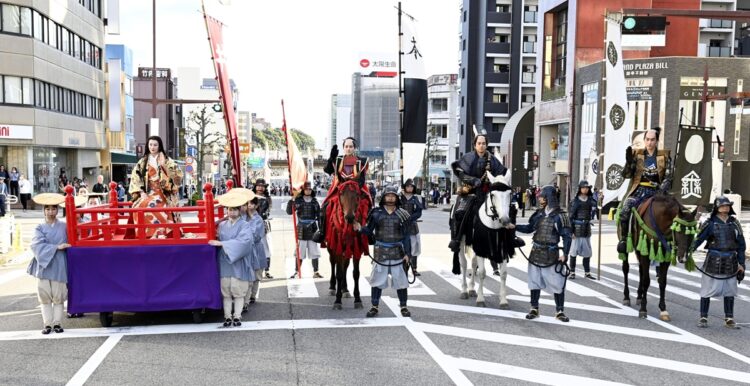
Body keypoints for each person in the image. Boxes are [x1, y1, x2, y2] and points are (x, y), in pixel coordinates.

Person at [514, 185, 573, 322]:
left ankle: (559, 311)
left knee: (558, 283)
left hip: (551, 254)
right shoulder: (539, 214)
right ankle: (534, 308)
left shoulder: (561, 216)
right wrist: (514, 226)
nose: (540, 199)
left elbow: (567, 236)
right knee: (534, 282)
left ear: (549, 198)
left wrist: (565, 253)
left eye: (542, 197)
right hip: (535, 252)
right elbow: (529, 228)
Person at [353, 186, 412, 318]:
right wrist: (360, 228)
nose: (390, 198)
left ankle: (403, 306)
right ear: (384, 197)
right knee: (377, 281)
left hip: (398, 252)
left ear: (396, 198)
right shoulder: (376, 213)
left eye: (393, 196)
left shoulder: (403, 214)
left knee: (401, 281)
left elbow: (407, 236)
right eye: (388, 195)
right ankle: (374, 306)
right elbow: (369, 230)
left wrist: (408, 254)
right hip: (381, 252)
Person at [692, 196, 746, 329]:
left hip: (731, 260)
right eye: (722, 205)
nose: (725, 207)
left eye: (727, 205)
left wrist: (741, 263)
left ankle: (729, 318)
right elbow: (699, 240)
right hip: (713, 259)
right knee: (707, 289)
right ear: (716, 207)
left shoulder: (734, 223)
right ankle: (703, 317)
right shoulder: (709, 223)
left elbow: (741, 244)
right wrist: (687, 252)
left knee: (730, 290)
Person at [449, 133, 508, 253]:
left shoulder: (493, 160)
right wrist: (472, 180)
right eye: (479, 143)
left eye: (484, 144)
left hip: (488, 193)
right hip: (470, 192)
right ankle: (456, 239)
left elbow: (502, 173)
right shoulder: (468, 157)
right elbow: (458, 171)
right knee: (459, 213)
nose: (481, 146)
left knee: (506, 210)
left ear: (487, 145)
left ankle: (509, 240)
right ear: (475, 145)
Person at [617, 127, 673, 254]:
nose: (650, 143)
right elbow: (626, 175)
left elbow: (669, 177)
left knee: (674, 210)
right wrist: (629, 162)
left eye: (652, 140)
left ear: (657, 141)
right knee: (625, 210)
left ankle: (673, 240)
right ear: (644, 140)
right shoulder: (637, 155)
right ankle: (624, 239)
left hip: (657, 191)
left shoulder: (664, 157)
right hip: (639, 190)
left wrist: (661, 189)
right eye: (647, 139)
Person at [27, 193, 71, 334]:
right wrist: (56, 247)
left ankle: (57, 323)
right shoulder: (39, 227)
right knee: (44, 295)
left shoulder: (64, 226)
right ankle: (47, 324)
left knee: (59, 295)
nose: (51, 212)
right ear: (44, 210)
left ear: (58, 210)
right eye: (48, 209)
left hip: (59, 263)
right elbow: (36, 245)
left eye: (53, 209)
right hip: (44, 264)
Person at [209, 192, 255, 327]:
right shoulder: (222, 225)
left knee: (238, 290)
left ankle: (238, 316)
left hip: (238, 260)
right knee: (226, 290)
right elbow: (216, 236)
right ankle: (227, 317)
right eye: (229, 209)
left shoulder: (245, 225)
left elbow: (245, 242)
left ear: (239, 210)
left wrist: (223, 244)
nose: (232, 212)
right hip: (224, 260)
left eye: (234, 209)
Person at [313, 137, 370, 244]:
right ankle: (321, 231)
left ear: (354, 148)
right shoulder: (338, 159)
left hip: (356, 190)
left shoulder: (362, 161)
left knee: (368, 204)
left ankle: (369, 232)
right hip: (339, 190)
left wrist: (355, 187)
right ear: (343, 148)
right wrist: (331, 158)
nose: (348, 149)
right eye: (346, 146)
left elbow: (362, 179)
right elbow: (328, 170)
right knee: (325, 206)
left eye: (351, 146)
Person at [128, 136, 184, 238]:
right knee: (139, 206)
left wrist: (164, 166)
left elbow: (177, 177)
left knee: (154, 205)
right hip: (149, 192)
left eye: (155, 145)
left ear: (159, 146)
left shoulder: (167, 160)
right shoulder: (143, 162)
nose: (152, 147)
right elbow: (135, 178)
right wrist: (141, 192)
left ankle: (161, 233)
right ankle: (144, 234)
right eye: (150, 145)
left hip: (164, 192)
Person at [286, 182, 323, 279]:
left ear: (312, 190)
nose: (308, 191)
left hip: (312, 228)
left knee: (314, 251)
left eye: (309, 189)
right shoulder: (298, 200)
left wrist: (321, 229)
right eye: (306, 189)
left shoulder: (315, 202)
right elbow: (289, 212)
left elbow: (319, 216)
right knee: (300, 252)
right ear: (303, 190)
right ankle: (297, 271)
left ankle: (316, 271)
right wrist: (291, 201)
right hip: (301, 228)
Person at [568, 180, 596, 279]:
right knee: (573, 251)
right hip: (577, 228)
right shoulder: (575, 201)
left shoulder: (590, 200)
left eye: (587, 188)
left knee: (587, 252)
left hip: (586, 229)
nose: (585, 189)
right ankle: (572, 272)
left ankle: (587, 272)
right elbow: (570, 217)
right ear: (580, 188)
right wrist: (571, 231)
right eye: (584, 187)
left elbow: (597, 206)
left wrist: (600, 199)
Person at [245, 196, 268, 308]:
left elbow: (257, 235)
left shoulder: (258, 219)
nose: (249, 205)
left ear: (256, 206)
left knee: (257, 272)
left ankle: (253, 295)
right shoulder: (242, 217)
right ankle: (247, 296)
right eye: (247, 203)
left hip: (256, 247)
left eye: (252, 203)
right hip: (246, 248)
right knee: (248, 273)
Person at [400, 179, 423, 276]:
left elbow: (419, 212)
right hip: (401, 225)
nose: (409, 188)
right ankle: (403, 267)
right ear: (405, 187)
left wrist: (411, 218)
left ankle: (414, 268)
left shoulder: (415, 198)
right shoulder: (400, 198)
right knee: (402, 247)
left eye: (411, 186)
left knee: (414, 246)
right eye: (408, 186)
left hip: (412, 225)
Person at [252, 178, 274, 279]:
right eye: (258, 186)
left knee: (266, 247)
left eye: (262, 186)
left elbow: (267, 211)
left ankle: (267, 270)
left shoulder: (267, 199)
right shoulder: (250, 197)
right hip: (251, 224)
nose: (260, 188)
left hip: (264, 224)